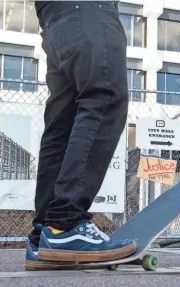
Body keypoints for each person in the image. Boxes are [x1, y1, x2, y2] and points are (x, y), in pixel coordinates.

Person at [25, 1, 136, 270]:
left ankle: (46, 236)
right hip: (87, 10)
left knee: (63, 122)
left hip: (55, 17)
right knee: (104, 97)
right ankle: (65, 225)